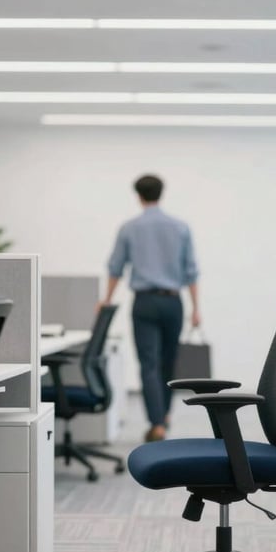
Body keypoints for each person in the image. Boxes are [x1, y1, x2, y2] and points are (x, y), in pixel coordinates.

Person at [102, 174, 200, 442]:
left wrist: (107, 298)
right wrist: (196, 309)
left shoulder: (129, 228)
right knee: (169, 361)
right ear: (161, 193)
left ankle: (157, 422)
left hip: (144, 302)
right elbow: (191, 271)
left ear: (138, 196)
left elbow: (115, 267)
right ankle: (163, 416)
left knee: (149, 364)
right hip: (173, 302)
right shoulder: (180, 227)